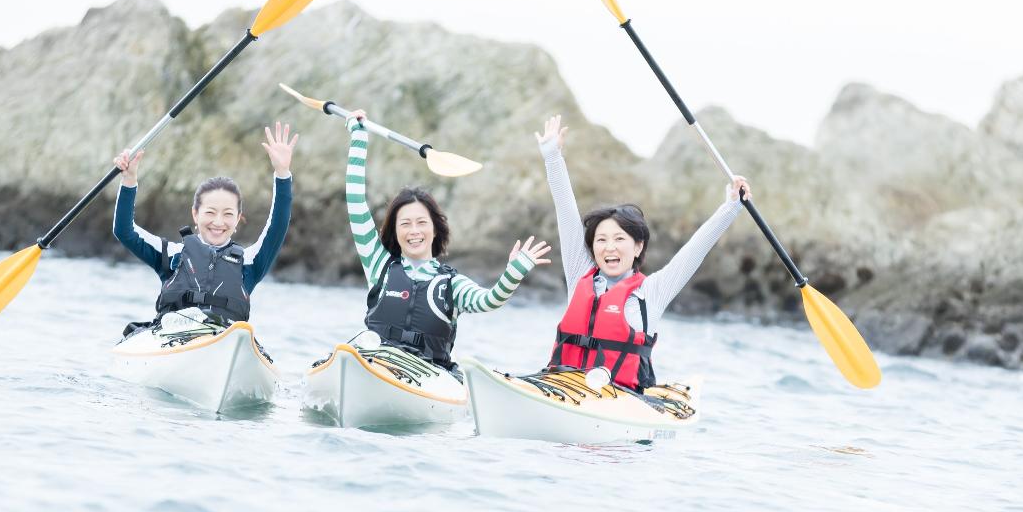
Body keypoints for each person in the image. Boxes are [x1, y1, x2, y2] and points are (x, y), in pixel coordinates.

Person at [535, 114, 749, 391]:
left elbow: (695, 250)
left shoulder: (653, 291)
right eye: (601, 240)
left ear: (638, 247)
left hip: (623, 398)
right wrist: (552, 156)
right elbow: (565, 212)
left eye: (619, 239)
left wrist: (731, 206)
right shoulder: (579, 275)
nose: (609, 247)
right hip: (563, 387)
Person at [343, 109, 551, 374]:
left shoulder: (452, 284)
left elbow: (490, 300)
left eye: (421, 223)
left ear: (435, 229)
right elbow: (355, 201)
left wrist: (514, 271)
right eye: (405, 224)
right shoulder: (378, 264)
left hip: (428, 375)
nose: (414, 231)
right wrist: (359, 139)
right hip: (376, 364)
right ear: (394, 232)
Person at [111, 122, 297, 333]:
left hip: (222, 340)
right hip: (171, 339)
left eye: (228, 214)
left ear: (238, 219)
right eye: (210, 212)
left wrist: (282, 174)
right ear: (195, 214)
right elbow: (124, 230)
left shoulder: (250, 263)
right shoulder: (172, 255)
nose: (218, 222)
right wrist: (129, 179)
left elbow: (277, 226)